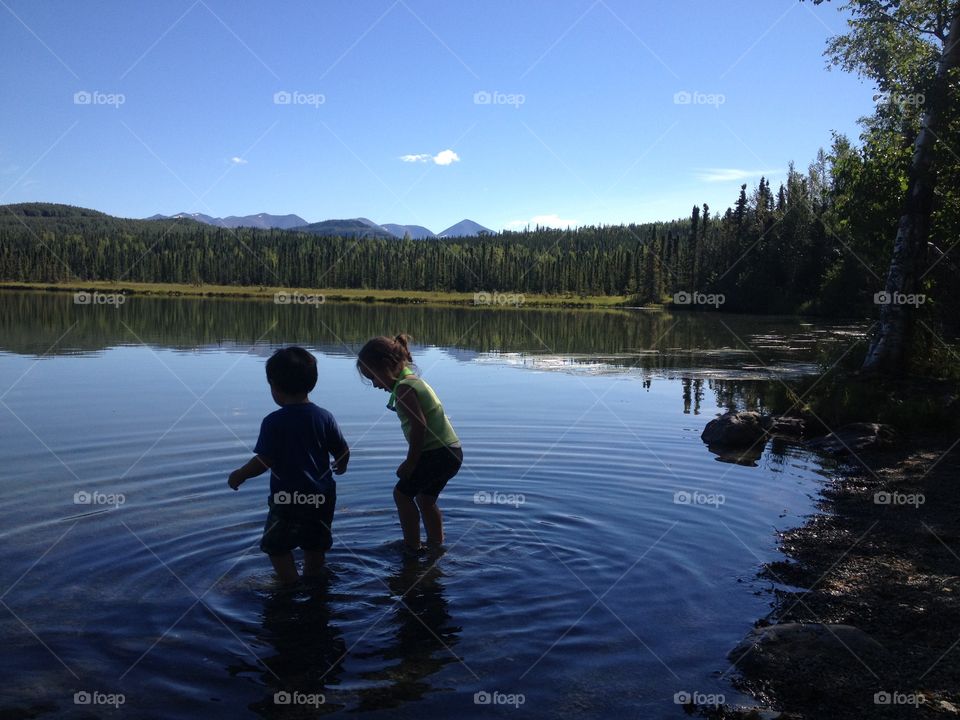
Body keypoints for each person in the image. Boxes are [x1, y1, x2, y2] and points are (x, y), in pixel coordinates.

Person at [228, 346, 349, 586]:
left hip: (287, 498)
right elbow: (342, 449)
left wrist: (240, 475)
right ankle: (314, 579)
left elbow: (264, 461)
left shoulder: (274, 422)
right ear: (311, 383)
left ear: (274, 386)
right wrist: (341, 465)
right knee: (315, 544)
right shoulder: (324, 417)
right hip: (321, 497)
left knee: (276, 546)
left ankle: (290, 584)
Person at [357, 334, 462, 552]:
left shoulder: (405, 388)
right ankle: (435, 545)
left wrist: (411, 462)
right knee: (426, 499)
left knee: (402, 495)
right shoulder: (413, 381)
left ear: (386, 366)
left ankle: (412, 548)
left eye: (373, 377)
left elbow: (419, 426)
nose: (375, 385)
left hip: (436, 453)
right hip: (451, 452)